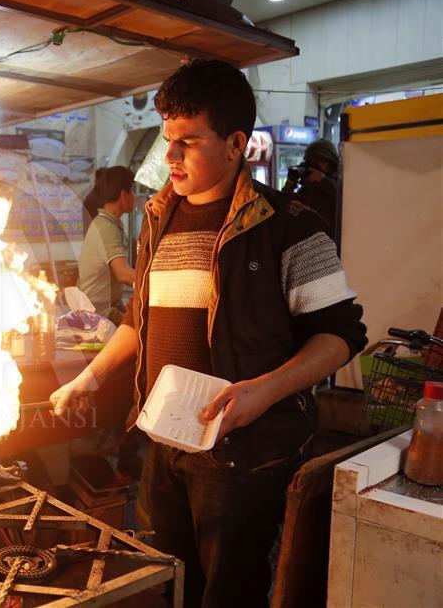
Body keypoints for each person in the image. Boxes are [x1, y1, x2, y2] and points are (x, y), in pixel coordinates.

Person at [51, 59, 367, 608]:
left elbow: (340, 334)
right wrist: (90, 377)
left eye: (188, 142)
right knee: (173, 583)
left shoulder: (289, 225)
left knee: (228, 592)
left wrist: (264, 390)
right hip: (163, 442)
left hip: (242, 456)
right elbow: (138, 319)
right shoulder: (157, 219)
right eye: (168, 139)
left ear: (235, 142)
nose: (169, 156)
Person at [77, 166, 137, 322]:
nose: (135, 196)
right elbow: (123, 273)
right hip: (98, 314)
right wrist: (159, 283)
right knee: (141, 335)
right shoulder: (106, 227)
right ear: (124, 195)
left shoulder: (106, 222)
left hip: (103, 307)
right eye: (133, 191)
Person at [283, 138, 340, 239]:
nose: (315, 165)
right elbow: (283, 208)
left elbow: (344, 203)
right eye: (312, 160)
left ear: (332, 163)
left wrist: (323, 181)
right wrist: (290, 185)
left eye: (321, 161)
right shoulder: (306, 191)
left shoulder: (341, 184)